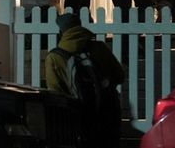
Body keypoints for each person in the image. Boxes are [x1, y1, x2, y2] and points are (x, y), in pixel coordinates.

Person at [45, 13, 124, 148]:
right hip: (107, 112)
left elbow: (55, 91)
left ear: (61, 31)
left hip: (77, 117)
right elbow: (119, 75)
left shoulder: (54, 57)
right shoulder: (99, 47)